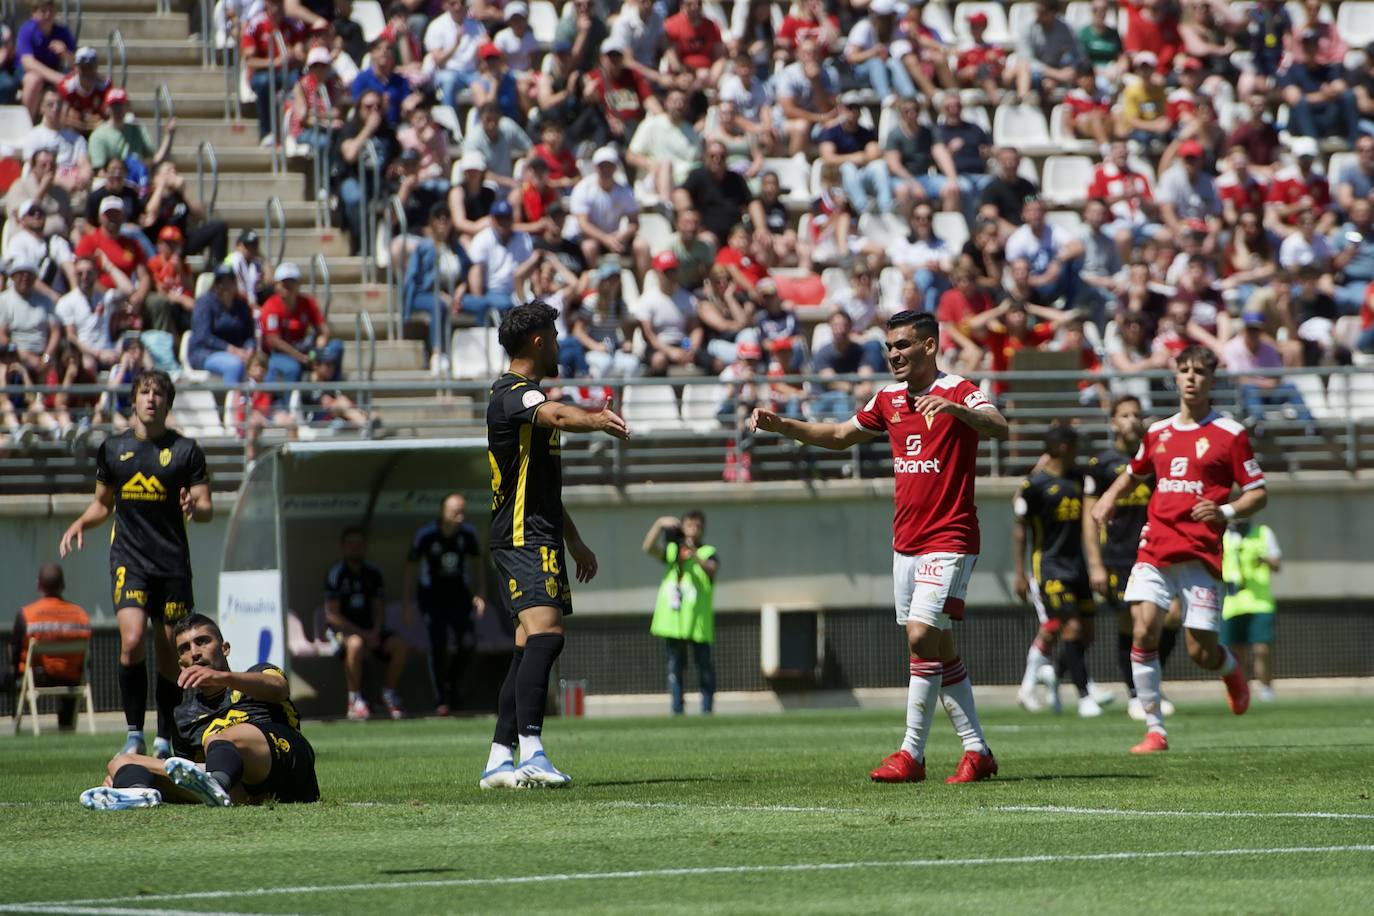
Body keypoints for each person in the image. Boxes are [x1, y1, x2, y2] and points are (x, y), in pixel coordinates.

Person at [751, 310, 1009, 784]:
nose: (893, 355)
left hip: (950, 536)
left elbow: (998, 424)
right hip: (906, 542)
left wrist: (957, 412)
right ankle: (978, 750)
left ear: (930, 346)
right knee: (938, 642)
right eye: (889, 347)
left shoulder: (957, 390)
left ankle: (911, 753)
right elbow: (838, 436)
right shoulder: (888, 399)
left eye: (903, 345)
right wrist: (784, 426)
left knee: (919, 635)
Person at [480, 300, 629, 789]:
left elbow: (542, 489)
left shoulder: (527, 398)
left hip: (535, 532)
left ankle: (500, 760)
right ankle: (533, 751)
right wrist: (598, 418)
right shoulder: (513, 396)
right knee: (548, 634)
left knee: (527, 648)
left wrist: (576, 541)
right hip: (522, 537)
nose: (561, 344)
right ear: (539, 341)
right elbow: (561, 416)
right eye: (556, 335)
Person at [1090, 346, 1266, 753]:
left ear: (1212, 379)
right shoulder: (1159, 432)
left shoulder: (1230, 434)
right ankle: (1155, 729)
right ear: (1175, 376)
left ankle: (1230, 669)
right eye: (1184, 370)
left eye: (1199, 371)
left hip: (1201, 552)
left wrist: (1224, 510)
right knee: (1143, 627)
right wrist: (1108, 500)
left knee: (1198, 649)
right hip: (1155, 545)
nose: (1191, 377)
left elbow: (1258, 493)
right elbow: (1134, 473)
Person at [58, 370, 213, 758]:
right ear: (134, 400)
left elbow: (206, 505)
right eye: (144, 392)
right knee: (130, 641)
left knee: (168, 652)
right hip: (130, 559)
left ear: (168, 403)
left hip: (172, 563)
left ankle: (163, 737)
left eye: (158, 393)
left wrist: (195, 506)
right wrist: (81, 521)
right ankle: (132, 733)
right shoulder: (113, 449)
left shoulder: (186, 451)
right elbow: (102, 503)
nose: (151, 399)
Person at [82, 613, 319, 809]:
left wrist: (223, 678)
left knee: (219, 737)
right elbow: (184, 774)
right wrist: (130, 772)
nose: (194, 652)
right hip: (236, 786)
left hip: (289, 766)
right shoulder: (184, 717)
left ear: (225, 648)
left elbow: (279, 689)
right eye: (185, 649)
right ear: (181, 664)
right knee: (123, 762)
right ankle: (136, 794)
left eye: (202, 642)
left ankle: (215, 784)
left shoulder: (257, 675)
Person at [1081, 395, 1181, 721]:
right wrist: (1095, 563)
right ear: (1113, 422)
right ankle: (1138, 692)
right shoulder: (1102, 464)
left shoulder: (1154, 459)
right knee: (1132, 624)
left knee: (1171, 616)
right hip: (1118, 557)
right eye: (1124, 415)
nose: (1132, 420)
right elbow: (1089, 517)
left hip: (1154, 552)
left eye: (1136, 414)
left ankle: (1149, 681)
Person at [1012, 424, 1114, 717]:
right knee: (1070, 627)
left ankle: (1055, 674)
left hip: (1078, 566)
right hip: (1049, 567)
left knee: (1087, 633)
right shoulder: (1035, 486)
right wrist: (1019, 573)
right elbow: (1020, 530)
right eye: (1076, 444)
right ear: (1065, 448)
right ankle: (1084, 695)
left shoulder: (1079, 480)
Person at [402, 493, 486, 716]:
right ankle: (442, 699)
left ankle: (450, 683)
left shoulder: (468, 534)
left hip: (459, 596)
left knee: (468, 643)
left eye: (463, 511)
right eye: (456, 511)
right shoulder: (426, 535)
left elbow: (478, 563)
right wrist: (407, 603)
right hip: (432, 598)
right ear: (443, 512)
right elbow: (410, 568)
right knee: (437, 645)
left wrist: (481, 592)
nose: (461, 515)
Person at [644, 511, 717, 716]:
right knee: (675, 669)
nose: (692, 530)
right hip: (674, 623)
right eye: (688, 526)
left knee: (704, 669)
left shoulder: (707, 552)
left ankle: (707, 710)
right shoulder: (673, 551)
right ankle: (677, 710)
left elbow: (712, 569)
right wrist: (659, 524)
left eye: (697, 526)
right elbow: (648, 548)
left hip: (698, 624)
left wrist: (694, 553)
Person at [10, 563, 91, 732]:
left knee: (9, 674)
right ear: (63, 585)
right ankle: (66, 724)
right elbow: (86, 657)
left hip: (38, 677)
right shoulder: (81, 615)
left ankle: (14, 715)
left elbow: (16, 651)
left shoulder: (27, 615)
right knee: (68, 672)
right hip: (72, 677)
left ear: (39, 585)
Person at [1220, 519, 1281, 703]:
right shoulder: (1222, 536)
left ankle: (1265, 687)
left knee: (1261, 648)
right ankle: (1240, 690)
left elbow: (1277, 564)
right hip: (1232, 603)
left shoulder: (1263, 533)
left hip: (1259, 601)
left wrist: (1264, 559)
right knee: (1235, 653)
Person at [188, 265, 256, 384]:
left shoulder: (241, 305)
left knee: (262, 364)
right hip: (205, 352)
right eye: (221, 281)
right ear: (215, 284)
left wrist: (250, 349)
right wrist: (230, 349)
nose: (225, 286)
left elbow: (249, 334)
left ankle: (261, 401)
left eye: (230, 281)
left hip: (238, 352)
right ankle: (233, 401)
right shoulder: (205, 303)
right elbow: (203, 336)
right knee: (234, 365)